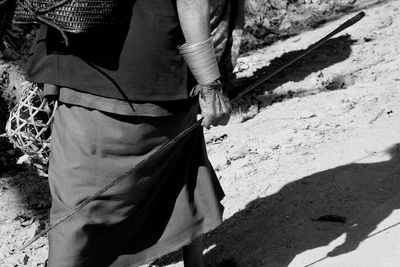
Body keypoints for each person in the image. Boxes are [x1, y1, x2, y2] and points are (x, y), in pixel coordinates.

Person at [24, 0, 244, 266]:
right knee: (177, 169)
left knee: (79, 203)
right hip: (149, 75)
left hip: (72, 61)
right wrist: (209, 84)